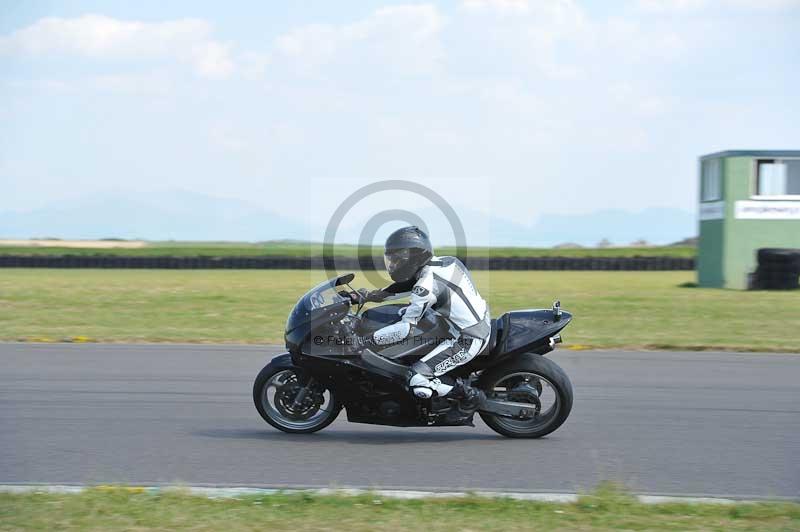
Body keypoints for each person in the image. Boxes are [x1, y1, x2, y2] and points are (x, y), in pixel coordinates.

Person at [357, 226, 490, 411]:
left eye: (397, 260)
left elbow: (406, 329)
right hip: (478, 319)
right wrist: (370, 296)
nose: (393, 265)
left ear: (413, 258)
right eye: (391, 259)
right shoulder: (446, 262)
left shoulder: (426, 287)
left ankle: (468, 395)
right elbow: (406, 285)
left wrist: (364, 341)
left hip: (467, 339)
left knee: (415, 377)